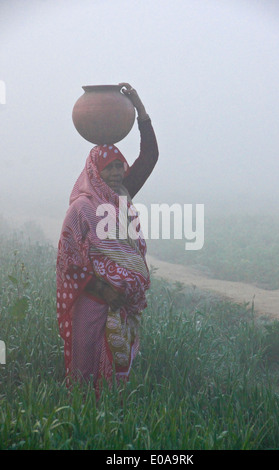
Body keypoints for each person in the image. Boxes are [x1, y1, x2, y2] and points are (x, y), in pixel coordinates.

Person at [56, 83, 159, 392]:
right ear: (94, 171)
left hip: (122, 304)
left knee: (116, 375)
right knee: (85, 372)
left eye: (119, 166)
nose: (116, 173)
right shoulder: (82, 208)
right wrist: (104, 288)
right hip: (93, 300)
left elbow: (150, 156)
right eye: (109, 168)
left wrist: (140, 109)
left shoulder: (121, 197)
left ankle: (113, 422)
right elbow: (68, 260)